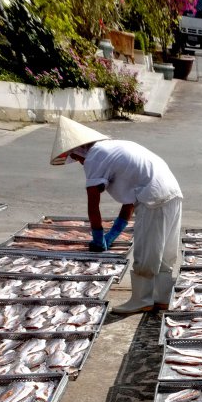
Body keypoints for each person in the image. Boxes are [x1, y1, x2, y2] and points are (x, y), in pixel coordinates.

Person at [50, 116, 183, 314]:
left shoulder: (94, 157)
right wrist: (115, 231)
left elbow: (93, 203)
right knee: (164, 251)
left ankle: (142, 300)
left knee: (146, 252)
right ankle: (161, 297)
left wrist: (98, 236)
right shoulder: (116, 147)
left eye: (76, 159)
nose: (80, 163)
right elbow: (129, 200)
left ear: (80, 150)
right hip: (172, 193)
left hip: (153, 198)